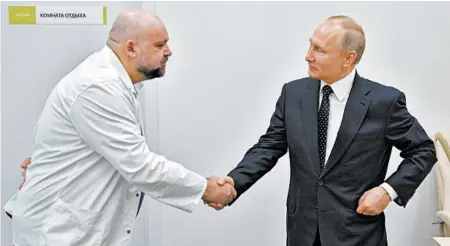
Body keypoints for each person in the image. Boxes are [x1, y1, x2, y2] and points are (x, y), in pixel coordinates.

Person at [9, 10, 235, 246]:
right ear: (130, 48)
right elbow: (139, 166)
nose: (169, 52)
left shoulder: (115, 84)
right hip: (58, 236)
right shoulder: (99, 86)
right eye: (160, 45)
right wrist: (205, 188)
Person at [209, 15, 437, 246]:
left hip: (357, 235)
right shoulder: (293, 94)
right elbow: (269, 146)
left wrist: (388, 191)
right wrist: (233, 183)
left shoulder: (384, 102)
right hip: (303, 233)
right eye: (310, 44)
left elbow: (424, 150)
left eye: (319, 49)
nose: (308, 55)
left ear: (348, 59)